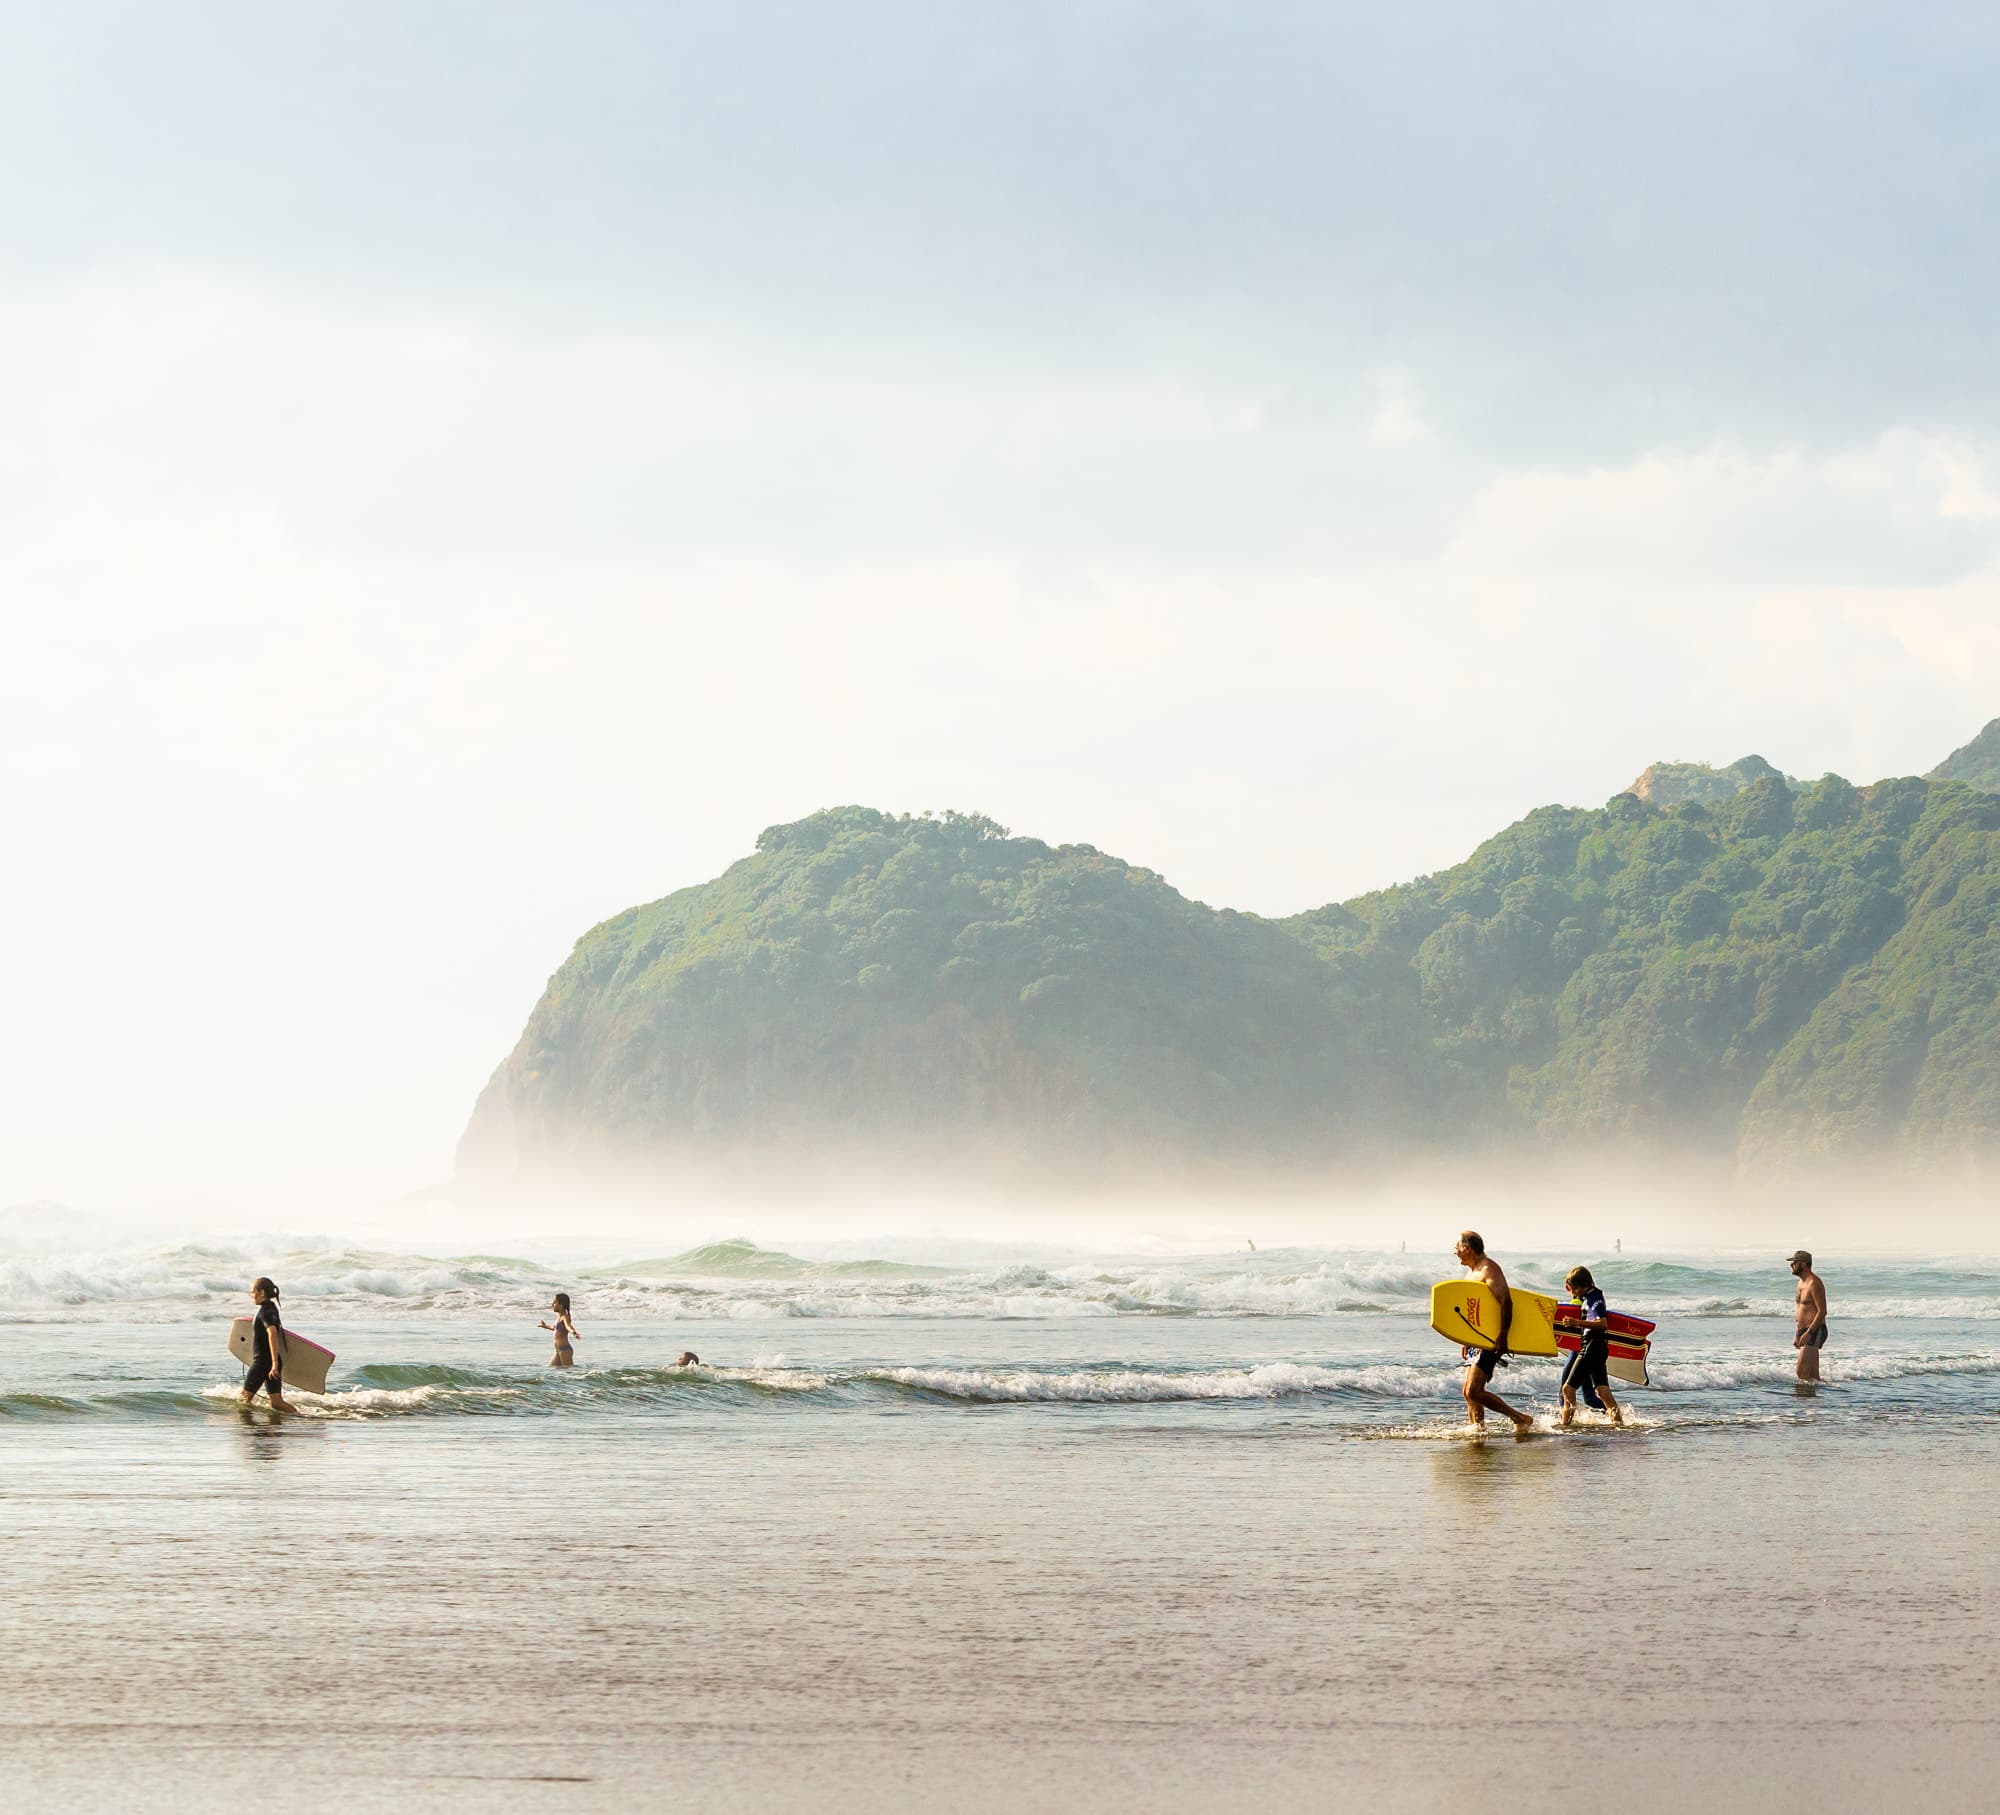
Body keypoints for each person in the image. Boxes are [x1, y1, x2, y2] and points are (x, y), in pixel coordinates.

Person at [1454, 1231, 1534, 1431]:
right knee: (1467, 1392)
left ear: (1468, 1248)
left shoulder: (1488, 1269)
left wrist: (1503, 1334)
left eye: (1457, 1248)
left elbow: (1505, 1301)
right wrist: (1466, 1339)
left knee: (1474, 1390)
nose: (1455, 1252)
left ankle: (1520, 1418)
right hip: (1476, 1339)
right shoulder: (1471, 1272)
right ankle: (1477, 1430)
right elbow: (1475, 1310)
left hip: (1490, 1337)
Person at [1559, 1265, 1623, 1428]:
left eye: (1573, 1289)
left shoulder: (1594, 1298)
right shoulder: (1590, 1296)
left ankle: (1565, 1427)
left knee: (1567, 1389)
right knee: (1602, 1391)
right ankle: (1618, 1424)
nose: (1572, 1293)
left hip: (1592, 1346)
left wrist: (1576, 1322)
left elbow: (1602, 1323)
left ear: (1581, 1285)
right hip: (1597, 1347)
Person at [238, 1277, 288, 1409]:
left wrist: (274, 1364)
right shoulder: (271, 1308)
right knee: (276, 1403)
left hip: (263, 1362)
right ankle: (304, 1418)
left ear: (262, 1293)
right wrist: (274, 1362)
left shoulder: (265, 1311)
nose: (251, 1296)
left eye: (252, 1292)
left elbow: (272, 1333)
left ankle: (246, 1428)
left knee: (244, 1398)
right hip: (270, 1361)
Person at [1789, 1251, 1828, 1383]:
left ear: (1803, 1264)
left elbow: (1822, 1311)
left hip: (1814, 1330)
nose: (1792, 1265)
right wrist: (1798, 1333)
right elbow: (1801, 1308)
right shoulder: (1801, 1283)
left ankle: (1804, 1401)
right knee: (1812, 1376)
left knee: (1801, 1372)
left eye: (1794, 1262)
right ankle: (1815, 1402)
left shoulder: (1814, 1283)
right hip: (1804, 1331)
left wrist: (1809, 1333)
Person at [539, 1293, 580, 1368]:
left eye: (554, 1302)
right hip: (558, 1350)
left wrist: (573, 1332)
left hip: (565, 1350)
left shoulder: (565, 1317)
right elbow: (556, 1329)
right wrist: (545, 1326)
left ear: (561, 1305)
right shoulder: (558, 1317)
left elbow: (568, 1326)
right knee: (551, 1368)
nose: (552, 1305)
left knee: (569, 1372)